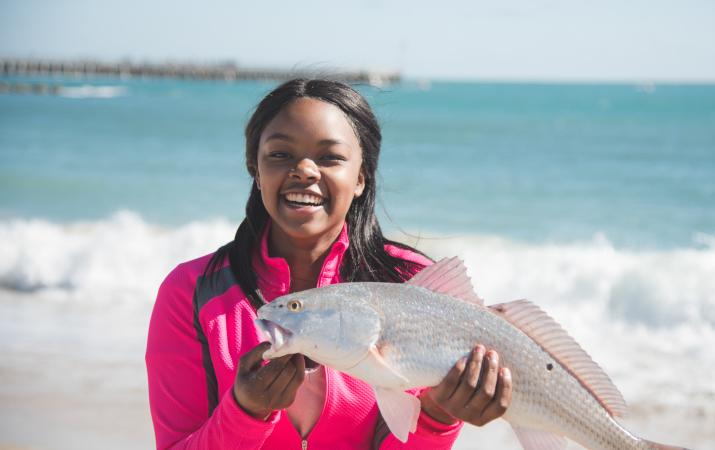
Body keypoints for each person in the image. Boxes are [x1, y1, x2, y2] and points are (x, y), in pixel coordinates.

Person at [145, 79, 512, 449]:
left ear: (361, 177)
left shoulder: (414, 283)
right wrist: (245, 412)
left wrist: (438, 417)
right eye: (280, 154)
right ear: (255, 169)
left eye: (330, 157)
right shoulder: (190, 292)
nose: (304, 170)